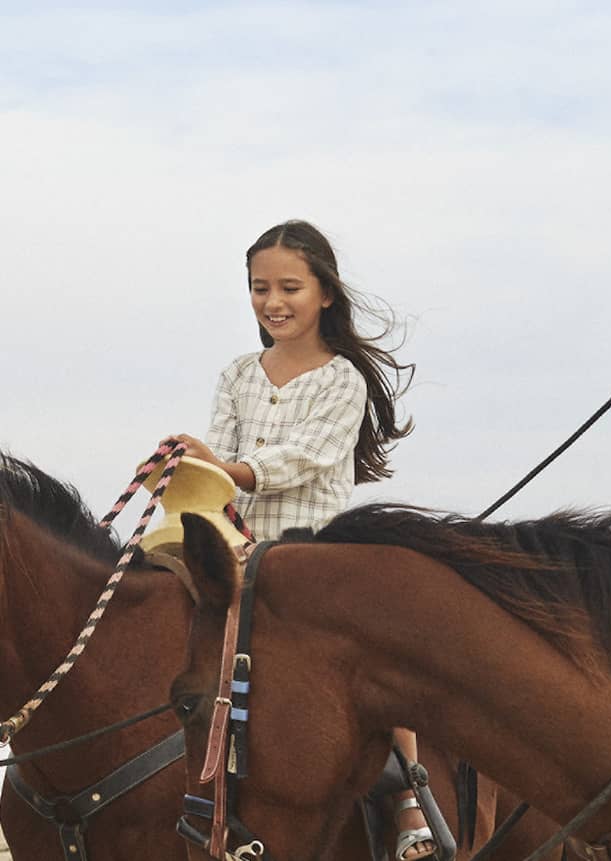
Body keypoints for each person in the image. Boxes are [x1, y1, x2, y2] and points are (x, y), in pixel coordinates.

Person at [170, 220, 432, 860]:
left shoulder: (342, 378)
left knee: (382, 638)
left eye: (289, 287)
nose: (273, 302)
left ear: (325, 295)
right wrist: (191, 471)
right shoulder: (237, 373)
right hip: (236, 548)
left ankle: (407, 796)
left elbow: (308, 456)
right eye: (260, 288)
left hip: (313, 550)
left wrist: (224, 468)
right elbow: (221, 448)